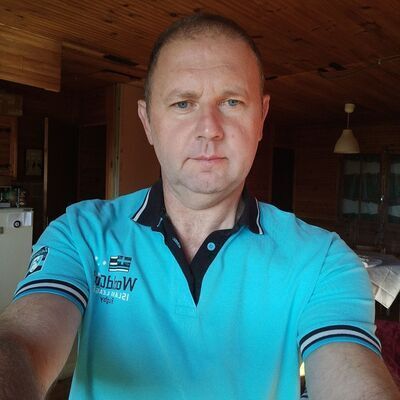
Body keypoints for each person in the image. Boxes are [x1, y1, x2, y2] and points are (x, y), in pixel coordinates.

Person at [0, 13, 399, 400]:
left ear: (261, 118)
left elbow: (353, 375)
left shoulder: (324, 260)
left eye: (231, 101)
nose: (209, 128)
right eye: (183, 103)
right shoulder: (80, 234)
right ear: (147, 122)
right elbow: (21, 344)